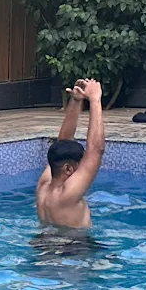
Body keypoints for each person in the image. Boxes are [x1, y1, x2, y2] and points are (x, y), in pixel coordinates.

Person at [36, 78, 105, 229]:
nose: (84, 168)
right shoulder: (68, 195)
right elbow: (96, 150)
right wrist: (95, 100)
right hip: (74, 249)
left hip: (45, 244)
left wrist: (76, 101)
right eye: (81, 165)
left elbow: (63, 142)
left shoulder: (44, 186)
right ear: (68, 169)